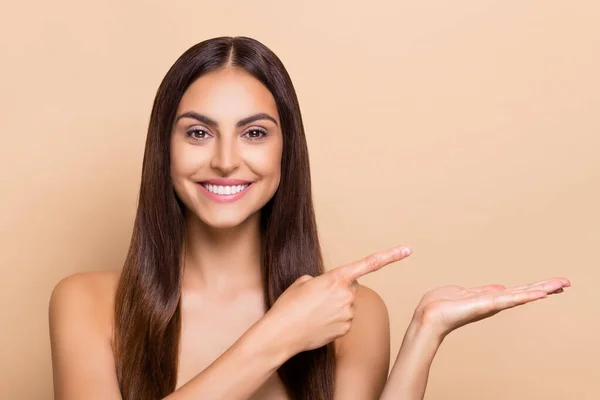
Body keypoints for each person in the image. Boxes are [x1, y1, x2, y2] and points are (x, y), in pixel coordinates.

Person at [48, 36, 570, 400]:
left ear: (285, 152)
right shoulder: (87, 303)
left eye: (254, 133)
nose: (226, 159)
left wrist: (424, 336)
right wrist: (280, 335)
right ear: (163, 149)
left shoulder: (352, 313)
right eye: (198, 132)